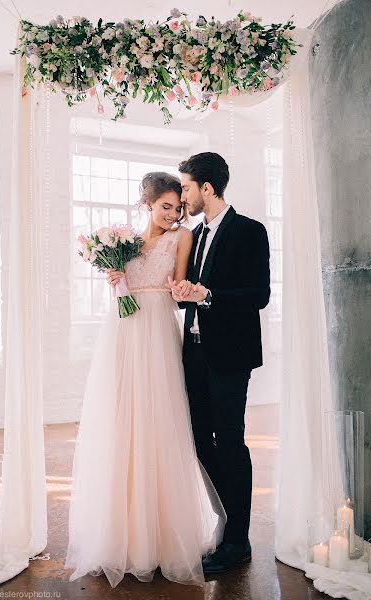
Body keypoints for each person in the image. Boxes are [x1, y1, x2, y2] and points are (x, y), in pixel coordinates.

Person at [65, 172, 226, 589]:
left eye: (177, 206)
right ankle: (122, 534)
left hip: (156, 328)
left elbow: (175, 290)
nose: (174, 214)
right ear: (147, 205)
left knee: (159, 419)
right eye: (165, 207)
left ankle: (160, 537)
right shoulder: (126, 243)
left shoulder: (183, 238)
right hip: (123, 332)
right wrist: (115, 280)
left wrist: (179, 289)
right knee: (122, 421)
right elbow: (121, 285)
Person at [168, 152, 270, 574]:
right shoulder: (193, 233)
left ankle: (237, 541)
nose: (183, 195)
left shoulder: (250, 231)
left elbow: (259, 295)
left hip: (230, 354)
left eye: (187, 187)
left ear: (206, 188)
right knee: (196, 440)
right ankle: (225, 522)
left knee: (229, 441)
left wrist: (207, 295)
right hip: (193, 352)